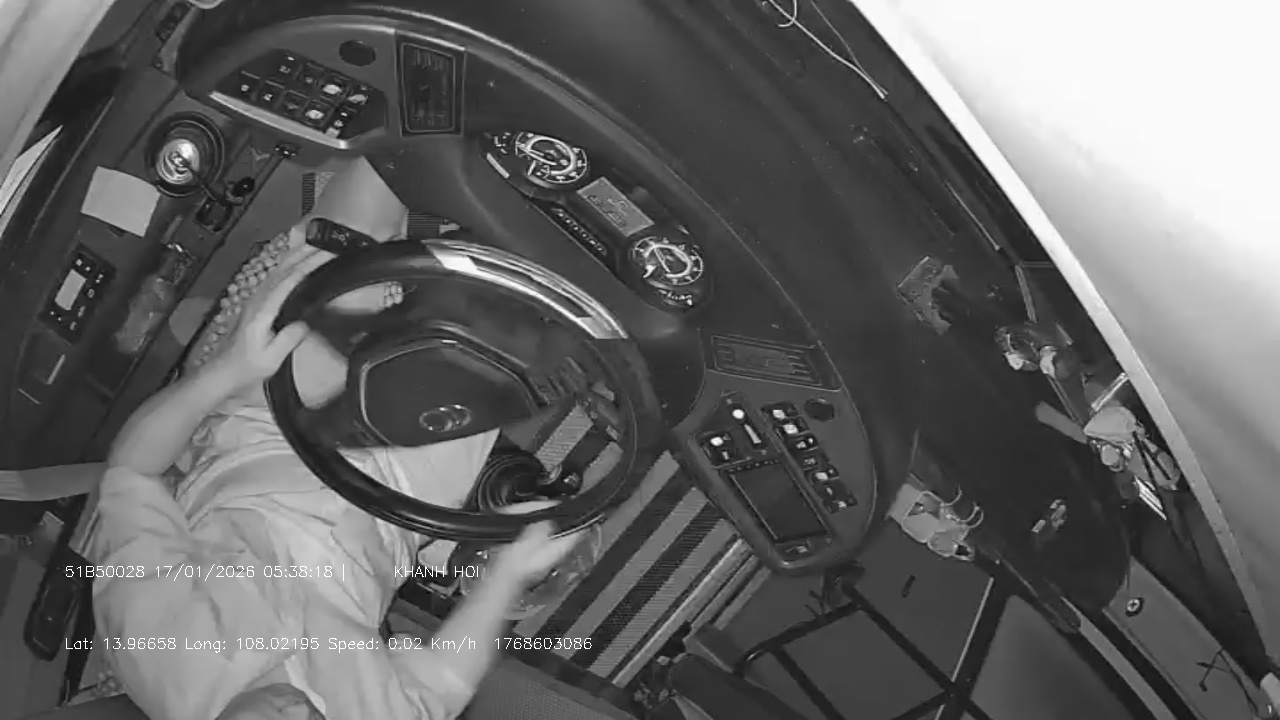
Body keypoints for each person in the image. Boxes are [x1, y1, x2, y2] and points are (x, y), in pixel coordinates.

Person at [85, 158, 581, 720]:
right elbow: (441, 684)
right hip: (404, 493)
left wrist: (228, 371)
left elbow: (131, 473)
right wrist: (509, 576)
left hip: (278, 424)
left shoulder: (153, 649)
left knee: (389, 168)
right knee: (550, 286)